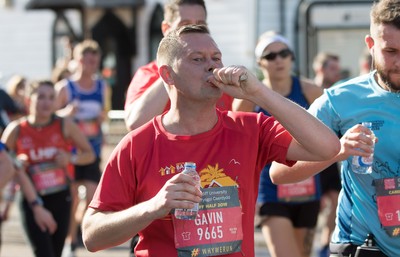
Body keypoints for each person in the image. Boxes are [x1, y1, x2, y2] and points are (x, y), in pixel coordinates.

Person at [81, 24, 340, 257]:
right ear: (167, 75)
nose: (212, 66)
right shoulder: (136, 144)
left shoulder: (250, 128)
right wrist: (153, 207)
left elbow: (327, 147)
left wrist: (259, 92)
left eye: (216, 58)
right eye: (197, 59)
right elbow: (92, 236)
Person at [270, 1, 400, 256]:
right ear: (371, 45)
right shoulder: (340, 99)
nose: (399, 62)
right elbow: (280, 171)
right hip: (363, 246)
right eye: (391, 51)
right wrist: (337, 150)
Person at [234, 31, 323, 257]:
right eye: (270, 55)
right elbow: (237, 142)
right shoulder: (247, 98)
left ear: (291, 57)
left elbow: (328, 133)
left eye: (283, 53)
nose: (278, 60)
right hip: (269, 186)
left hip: (306, 185)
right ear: (259, 63)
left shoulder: (310, 91)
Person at [1, 79, 94, 257]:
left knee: (55, 253)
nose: (47, 102)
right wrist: (15, 162)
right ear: (29, 99)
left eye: (51, 98)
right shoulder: (16, 129)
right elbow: (3, 162)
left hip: (60, 196)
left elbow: (89, 154)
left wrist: (70, 157)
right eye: (41, 97)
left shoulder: (64, 125)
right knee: (43, 253)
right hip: (31, 199)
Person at [124, 0, 233, 131]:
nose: (193, 31)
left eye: (200, 25)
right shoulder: (149, 73)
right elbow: (135, 123)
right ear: (166, 29)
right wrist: (173, 72)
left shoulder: (215, 72)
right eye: (184, 24)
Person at [54, 39, 111, 257]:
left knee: (89, 197)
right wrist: (66, 112)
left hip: (91, 151)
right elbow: (51, 118)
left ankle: (77, 231)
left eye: (94, 61)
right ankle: (70, 242)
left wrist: (101, 120)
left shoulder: (102, 86)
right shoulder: (65, 88)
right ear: (78, 61)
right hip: (69, 152)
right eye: (87, 61)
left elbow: (104, 114)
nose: (91, 65)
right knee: (73, 198)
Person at [312, 52, 343, 257]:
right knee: (317, 202)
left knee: (335, 197)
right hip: (310, 155)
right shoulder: (310, 92)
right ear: (320, 69)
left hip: (331, 155)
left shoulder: (339, 94)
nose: (337, 74)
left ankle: (325, 243)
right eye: (333, 69)